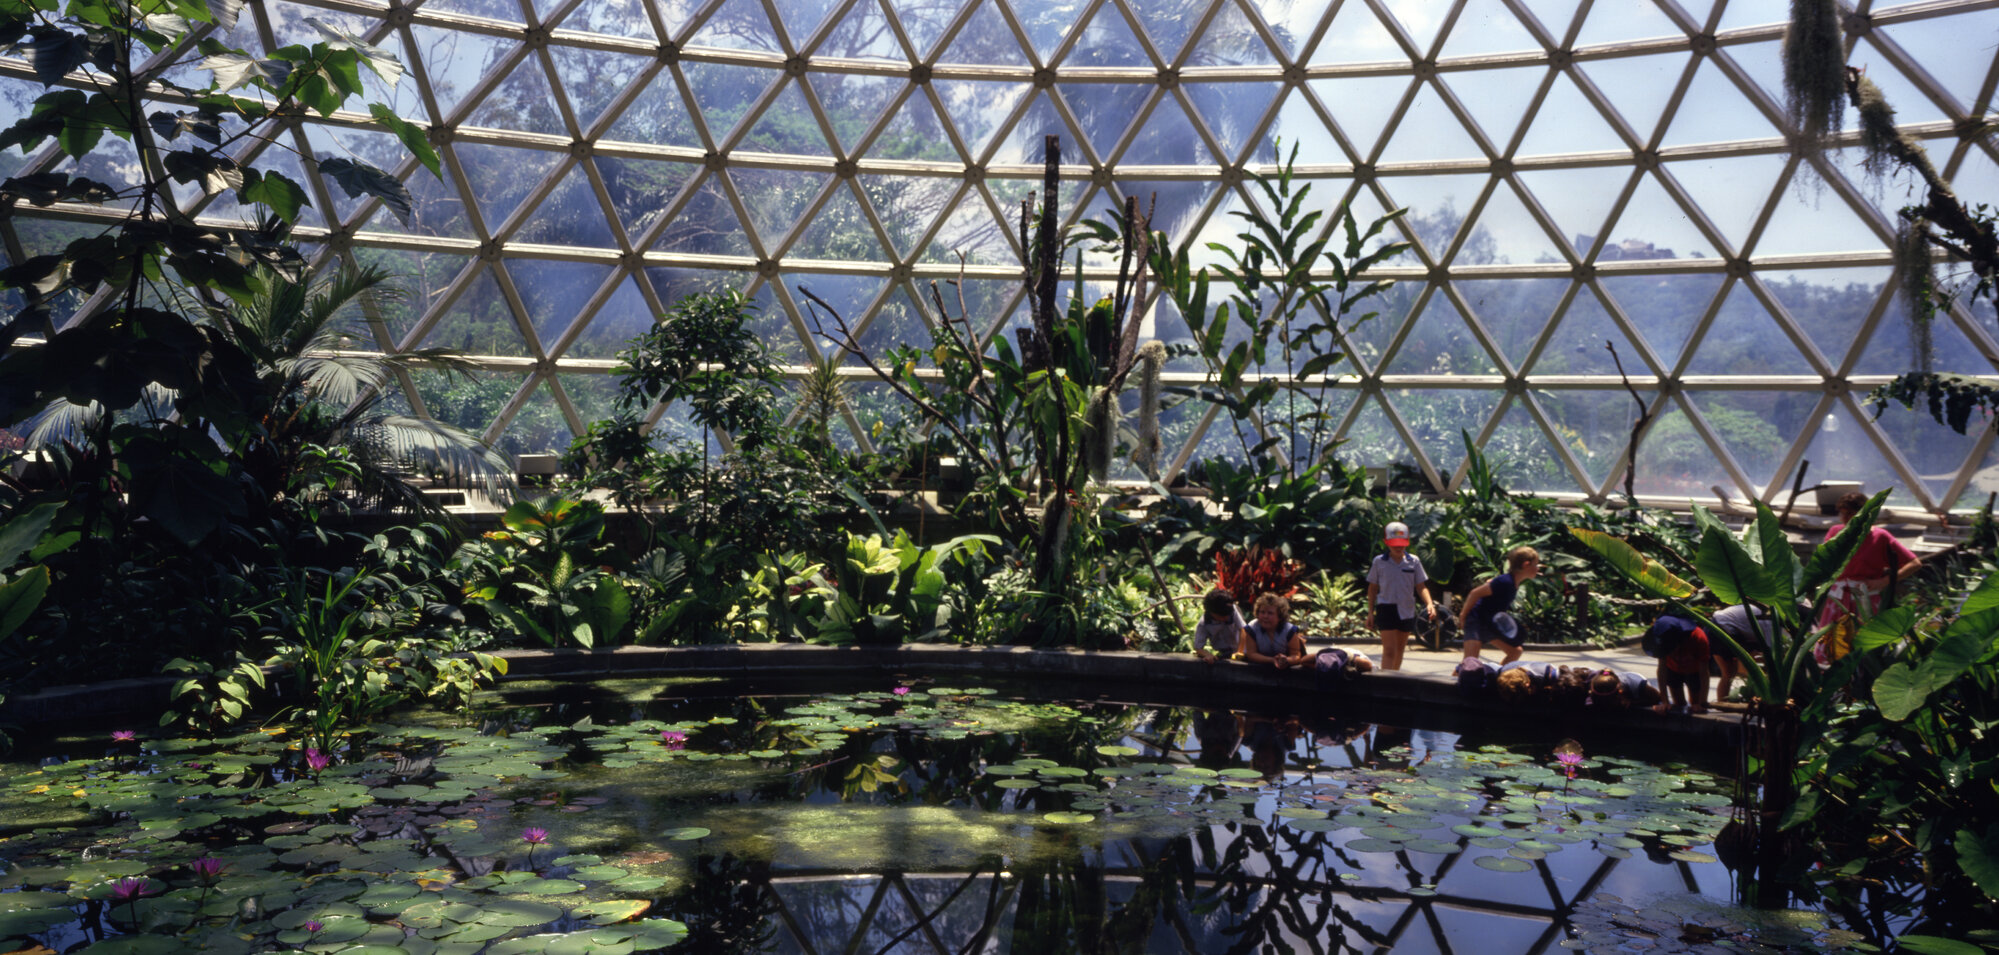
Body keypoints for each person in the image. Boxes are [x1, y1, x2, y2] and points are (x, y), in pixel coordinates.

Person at [1817, 492, 1923, 660]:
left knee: (1864, 648)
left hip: (1865, 598)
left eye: (1850, 513)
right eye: (1842, 513)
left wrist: (1884, 581)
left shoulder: (1879, 537)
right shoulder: (1836, 532)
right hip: (1838, 599)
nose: (1844, 518)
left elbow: (1914, 563)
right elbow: (1824, 561)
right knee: (1832, 644)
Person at [1366, 521, 1436, 671]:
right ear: (1386, 543)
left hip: (1406, 608)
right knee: (1389, 650)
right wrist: (1370, 613)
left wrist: (1429, 604)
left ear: (1407, 543)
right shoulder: (1379, 562)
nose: (1398, 547)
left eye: (1401, 544)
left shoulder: (1414, 561)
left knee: (1399, 650)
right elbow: (1372, 588)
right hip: (1386, 608)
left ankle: (1395, 680)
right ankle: (1385, 683)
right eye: (1394, 544)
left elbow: (1421, 586)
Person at [1460, 546, 1541, 663]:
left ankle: (1497, 676)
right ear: (1526, 564)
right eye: (1536, 564)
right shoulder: (1505, 582)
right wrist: (1463, 616)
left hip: (1489, 624)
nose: (1538, 569)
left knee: (1515, 651)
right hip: (1476, 621)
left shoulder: (1513, 582)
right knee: (1469, 663)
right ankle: (1456, 678)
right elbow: (1475, 593)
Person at [1643, 614, 1711, 714]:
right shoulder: (1663, 638)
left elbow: (1704, 673)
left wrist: (1702, 703)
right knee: (1678, 704)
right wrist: (1664, 701)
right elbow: (1662, 670)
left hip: (1694, 672)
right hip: (1673, 670)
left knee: (1695, 705)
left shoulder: (1699, 638)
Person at [1710, 603, 1775, 700]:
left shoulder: (1768, 613)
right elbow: (1769, 651)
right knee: (1728, 673)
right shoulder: (1770, 620)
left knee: (1728, 674)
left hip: (1725, 626)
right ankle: (1723, 702)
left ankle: (1725, 701)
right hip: (1721, 627)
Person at [1239, 592, 1308, 670]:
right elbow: (1251, 654)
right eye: (1262, 612)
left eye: (1270, 613)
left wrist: (1286, 660)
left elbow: (1296, 655)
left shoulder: (1289, 630)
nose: (1265, 616)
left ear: (1280, 616)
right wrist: (1272, 660)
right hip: (1258, 668)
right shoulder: (1252, 628)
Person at [1191, 587, 1244, 664]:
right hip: (1223, 652)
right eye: (1222, 616)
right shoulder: (1204, 623)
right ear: (1212, 612)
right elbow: (1198, 648)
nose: (1226, 618)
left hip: (1240, 649)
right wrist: (1208, 655)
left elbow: (1243, 629)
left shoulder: (1231, 609)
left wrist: (1240, 652)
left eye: (1227, 615)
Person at [1588, 669, 1663, 709]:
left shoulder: (1637, 685)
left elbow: (1658, 698)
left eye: (1608, 702)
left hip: (1639, 694)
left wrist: (1633, 702)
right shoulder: (1596, 686)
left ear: (1620, 694)